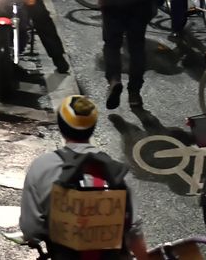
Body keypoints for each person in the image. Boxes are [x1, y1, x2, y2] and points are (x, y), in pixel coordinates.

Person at [19, 95, 151, 260]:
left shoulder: (42, 167)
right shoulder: (117, 173)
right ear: (93, 127)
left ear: (61, 126)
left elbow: (31, 230)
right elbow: (133, 230)